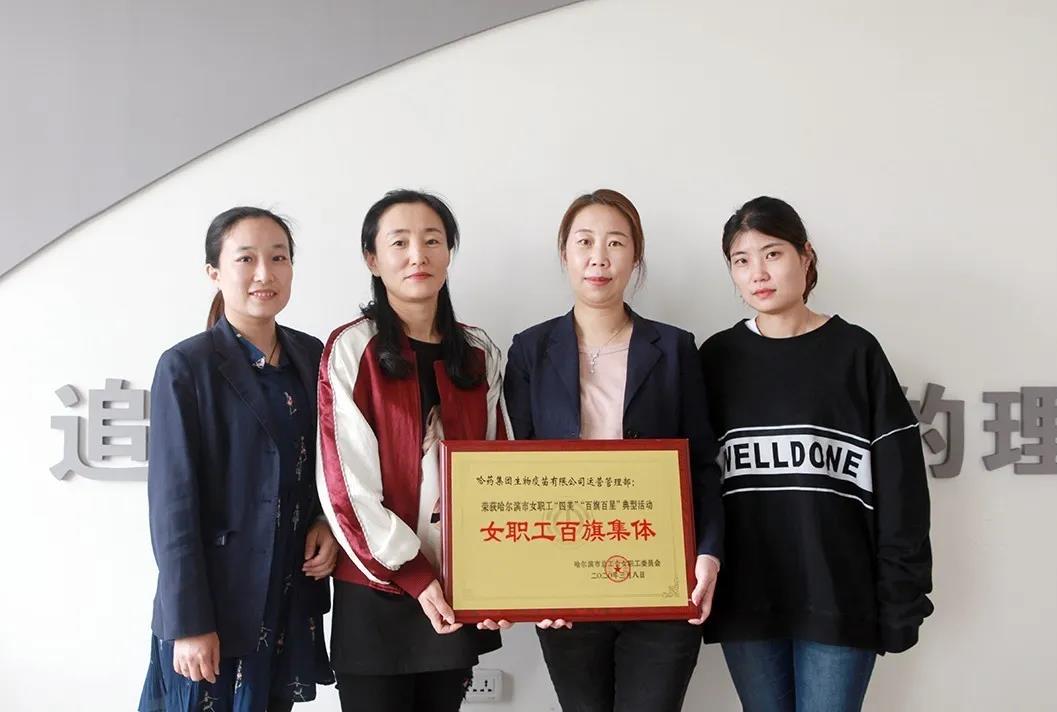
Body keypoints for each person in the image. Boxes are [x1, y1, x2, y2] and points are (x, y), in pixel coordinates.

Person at [699, 196, 934, 712]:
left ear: (805, 256)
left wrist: (902, 596)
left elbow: (901, 489)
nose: (758, 273)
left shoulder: (855, 352)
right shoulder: (716, 359)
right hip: (746, 599)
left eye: (772, 254)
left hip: (840, 598)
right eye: (741, 260)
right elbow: (693, 480)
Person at [504, 189, 723, 712]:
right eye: (584, 242)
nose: (598, 257)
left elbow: (701, 464)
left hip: (662, 573)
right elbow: (512, 470)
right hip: (565, 579)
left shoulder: (674, 347)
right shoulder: (530, 349)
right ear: (565, 254)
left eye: (616, 243)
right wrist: (527, 581)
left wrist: (709, 553)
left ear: (635, 257)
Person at [316, 189, 510, 712]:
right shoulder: (352, 349)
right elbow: (346, 487)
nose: (417, 255)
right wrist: (416, 576)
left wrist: (499, 579)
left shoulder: (479, 352)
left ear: (449, 252)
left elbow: (502, 470)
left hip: (458, 584)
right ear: (372, 259)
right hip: (376, 591)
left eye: (432, 240)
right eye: (399, 242)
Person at [140, 207, 337, 712]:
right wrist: (188, 623)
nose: (264, 274)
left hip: (286, 595)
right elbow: (172, 507)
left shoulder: (312, 355)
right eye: (246, 259)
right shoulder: (187, 366)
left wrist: (324, 522)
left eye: (279, 258)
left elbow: (326, 462)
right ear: (214, 272)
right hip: (216, 602)